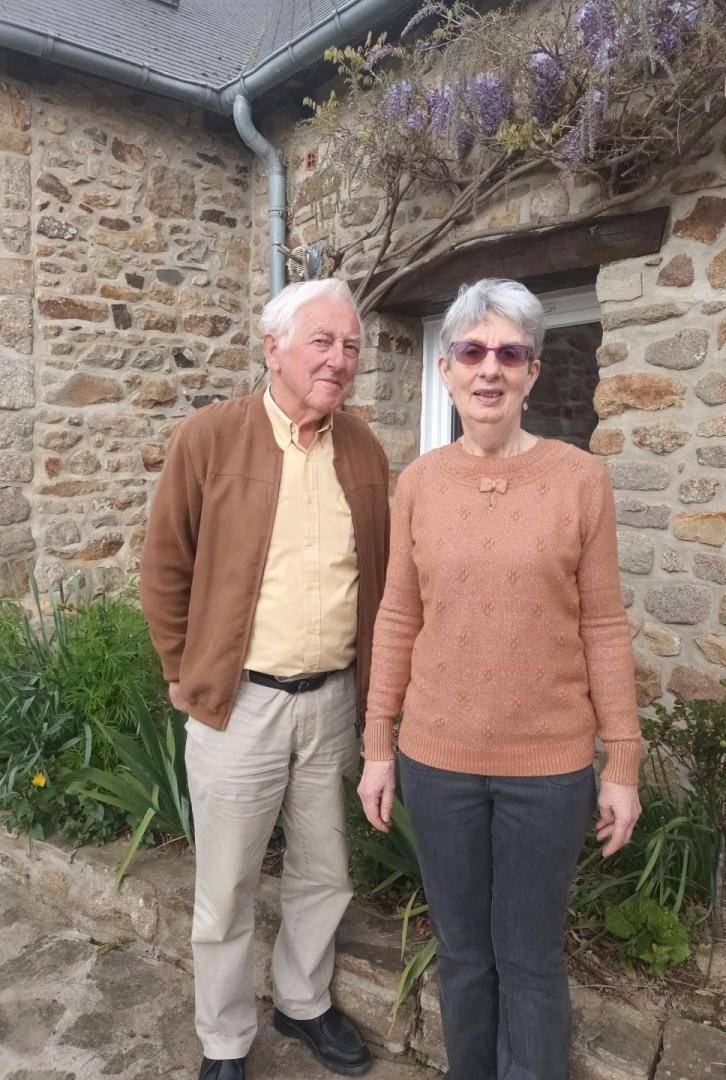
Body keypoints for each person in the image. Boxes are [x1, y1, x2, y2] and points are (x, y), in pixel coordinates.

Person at [358, 278, 641, 1080]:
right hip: (437, 764)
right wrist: (378, 746)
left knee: (530, 959)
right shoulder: (419, 483)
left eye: (510, 354)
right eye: (473, 351)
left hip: (547, 773)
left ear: (532, 372)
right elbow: (397, 617)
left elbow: (604, 624)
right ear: (446, 368)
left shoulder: (579, 480)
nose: (490, 369)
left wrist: (622, 762)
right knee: (461, 953)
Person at [140, 278, 390, 1080]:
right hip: (238, 703)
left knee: (325, 872)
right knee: (226, 887)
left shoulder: (363, 449)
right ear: (272, 346)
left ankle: (303, 1003)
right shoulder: (210, 437)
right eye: (322, 341)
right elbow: (165, 566)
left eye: (351, 346)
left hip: (333, 700)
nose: (339, 359)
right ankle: (223, 1039)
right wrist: (181, 671)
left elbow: (382, 578)